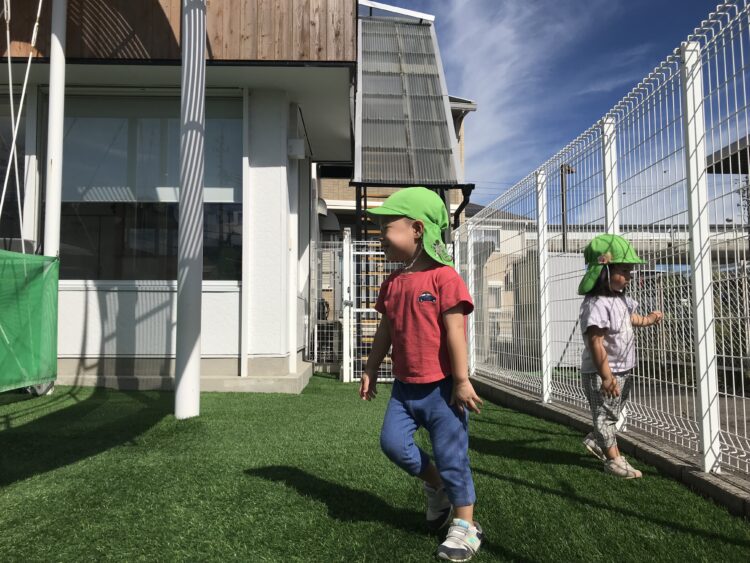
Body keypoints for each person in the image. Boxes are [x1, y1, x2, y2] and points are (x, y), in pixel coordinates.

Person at [359, 187, 484, 562]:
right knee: (393, 444)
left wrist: (461, 381)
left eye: (386, 228)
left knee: (452, 456)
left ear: (417, 229)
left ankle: (466, 525)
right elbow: (385, 330)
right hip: (404, 389)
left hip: (443, 390)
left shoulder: (445, 279)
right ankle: (437, 486)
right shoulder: (393, 283)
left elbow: (455, 332)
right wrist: (370, 367)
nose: (380, 236)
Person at [577, 234, 663, 478]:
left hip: (623, 369)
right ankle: (614, 461)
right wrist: (606, 376)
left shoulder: (621, 299)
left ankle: (597, 439)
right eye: (623, 270)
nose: (629, 276)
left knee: (613, 412)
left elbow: (628, 318)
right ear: (604, 270)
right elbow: (595, 341)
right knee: (605, 416)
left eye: (630, 271)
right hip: (602, 372)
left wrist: (648, 320)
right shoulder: (597, 304)